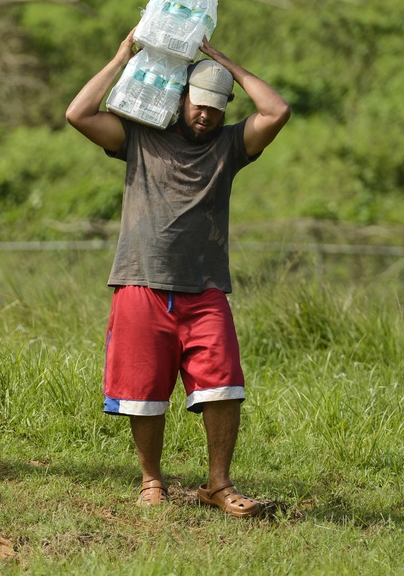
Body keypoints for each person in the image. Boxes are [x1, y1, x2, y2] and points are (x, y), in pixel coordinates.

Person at [65, 28, 290, 516]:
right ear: (180, 95)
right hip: (140, 282)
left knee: (223, 384)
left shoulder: (230, 147)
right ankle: (151, 480)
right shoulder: (141, 136)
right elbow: (77, 113)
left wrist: (226, 64)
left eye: (215, 104)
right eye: (197, 101)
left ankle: (218, 484)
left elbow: (276, 112)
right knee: (143, 392)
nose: (205, 113)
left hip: (205, 288)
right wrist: (121, 56)